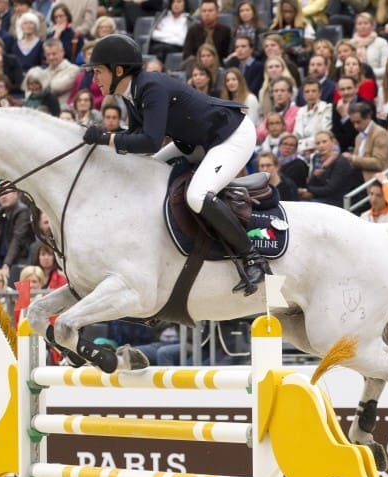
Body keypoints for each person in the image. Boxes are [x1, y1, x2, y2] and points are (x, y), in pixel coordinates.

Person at [82, 33, 269, 296]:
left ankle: (252, 257)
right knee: (147, 173)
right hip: (195, 142)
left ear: (119, 70)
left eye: (98, 72)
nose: (94, 79)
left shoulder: (151, 87)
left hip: (231, 136)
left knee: (197, 195)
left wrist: (105, 137)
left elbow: (149, 141)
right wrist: (105, 141)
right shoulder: (130, 93)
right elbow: (137, 137)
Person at [0, 189, 35, 275]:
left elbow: (17, 239)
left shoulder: (23, 211)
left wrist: (6, 264)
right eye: (0, 194)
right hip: (1, 258)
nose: (3, 197)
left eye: (6, 193)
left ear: (16, 194)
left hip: (19, 258)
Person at [298, 130, 356, 207]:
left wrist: (308, 190)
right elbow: (311, 183)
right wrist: (315, 176)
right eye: (318, 143)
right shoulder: (316, 158)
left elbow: (331, 189)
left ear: (332, 142)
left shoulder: (340, 161)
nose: (321, 146)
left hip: (336, 201)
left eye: (324, 142)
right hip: (319, 196)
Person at [342, 100, 388, 184]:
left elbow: (379, 163)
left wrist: (352, 158)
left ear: (368, 117)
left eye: (358, 122)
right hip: (360, 178)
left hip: (376, 180)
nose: (355, 126)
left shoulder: (380, 133)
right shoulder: (358, 137)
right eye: (353, 123)